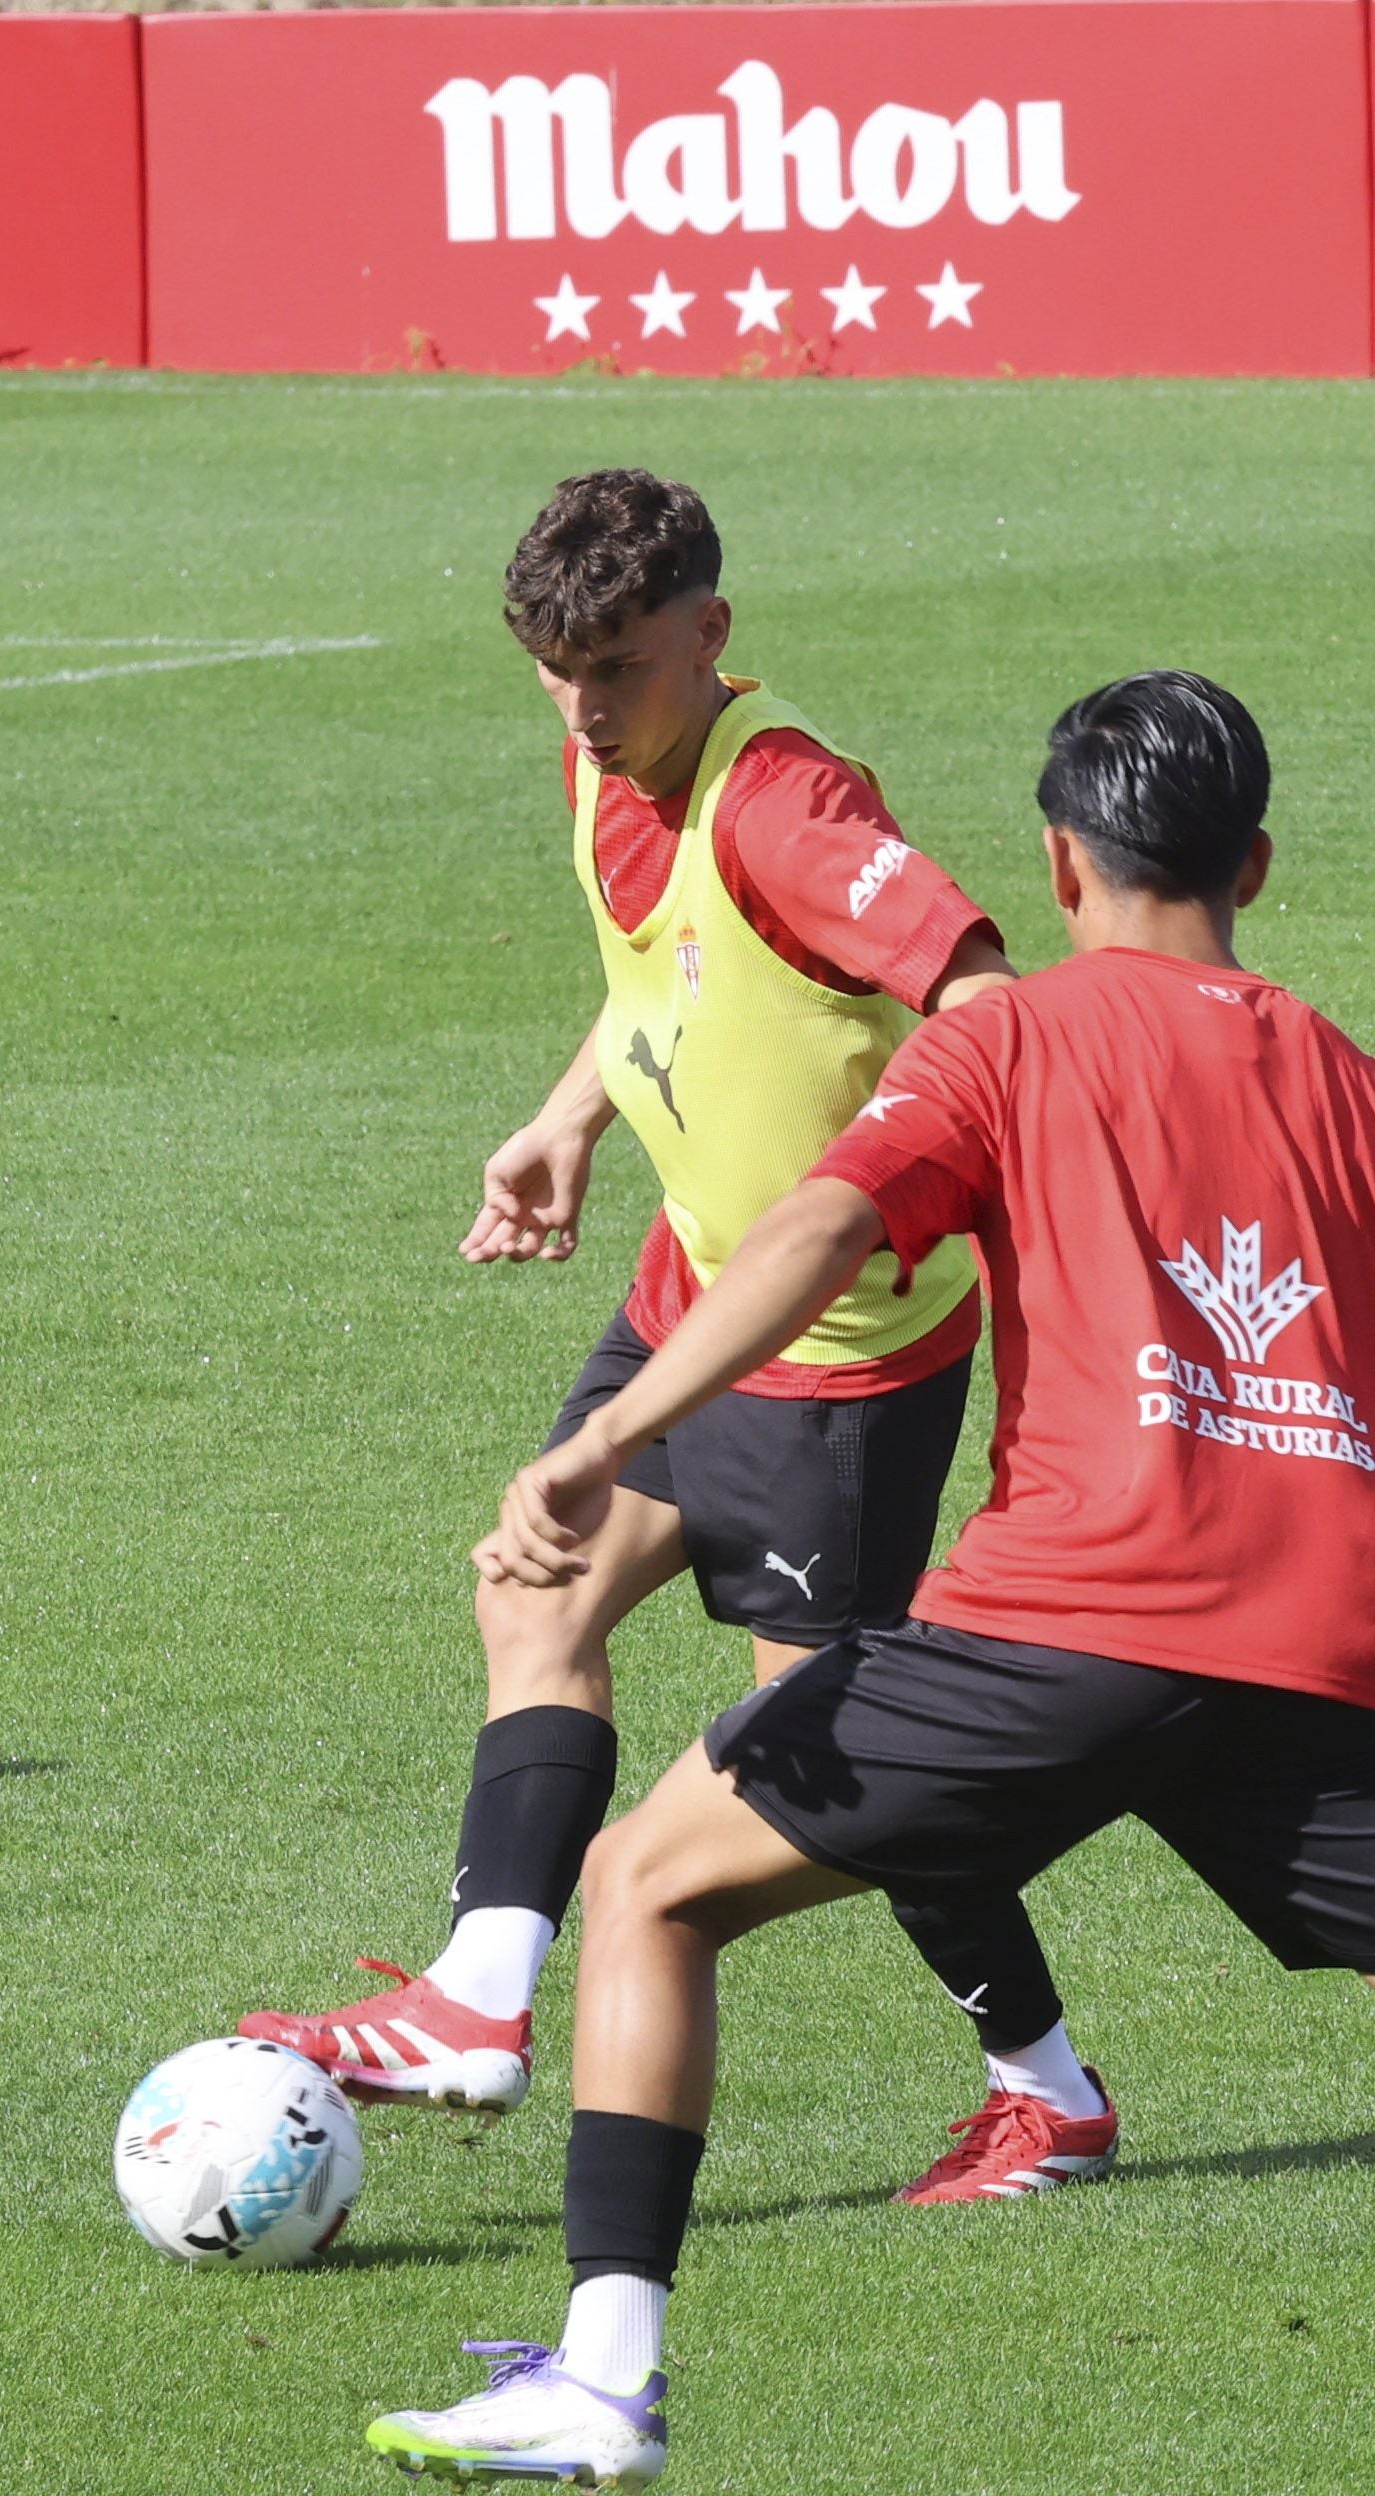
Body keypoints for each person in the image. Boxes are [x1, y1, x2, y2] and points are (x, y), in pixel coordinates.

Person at [364, 670, 1375, 2489]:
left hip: (1053, 1633)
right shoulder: (1346, 1084)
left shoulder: (1010, 1040)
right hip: (1315, 1652)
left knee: (652, 1884)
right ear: (1262, 864)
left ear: (1060, 867)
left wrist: (607, 1435)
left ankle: (604, 2385)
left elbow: (828, 1222)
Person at [242, 469, 1113, 2197]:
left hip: (831, 1353)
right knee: (534, 1580)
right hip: (685, 1292)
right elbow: (679, 975)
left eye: (618, 670)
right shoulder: (604, 748)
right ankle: (482, 2000)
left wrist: (887, 1184)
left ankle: (1053, 2088)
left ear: (709, 637)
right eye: (554, 668)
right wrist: (573, 1110)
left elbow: (985, 997)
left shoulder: (790, 805)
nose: (581, 707)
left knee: (826, 1768)